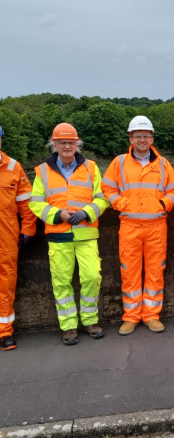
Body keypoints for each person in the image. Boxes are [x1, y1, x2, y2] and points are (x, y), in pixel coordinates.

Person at [29, 123, 109, 345]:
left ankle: (90, 321)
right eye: (62, 142)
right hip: (58, 236)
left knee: (92, 277)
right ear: (54, 144)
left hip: (86, 235)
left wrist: (85, 212)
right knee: (62, 283)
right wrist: (57, 215)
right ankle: (69, 327)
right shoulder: (42, 171)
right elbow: (35, 203)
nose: (67, 146)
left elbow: (102, 198)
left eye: (71, 142)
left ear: (77, 143)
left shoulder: (91, 168)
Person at [102, 116, 174, 336]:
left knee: (156, 272)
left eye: (146, 136)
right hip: (129, 225)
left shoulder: (163, 164)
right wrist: (120, 203)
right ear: (131, 138)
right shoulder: (119, 163)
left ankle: (152, 316)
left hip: (157, 226)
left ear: (151, 138)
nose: (142, 140)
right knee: (129, 273)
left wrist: (163, 204)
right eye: (138, 136)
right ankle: (131, 317)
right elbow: (107, 188)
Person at [0, 125, 37, 351]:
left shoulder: (13, 167)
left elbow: (26, 203)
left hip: (6, 237)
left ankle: (4, 332)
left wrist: (29, 230)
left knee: (6, 283)